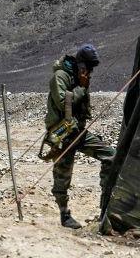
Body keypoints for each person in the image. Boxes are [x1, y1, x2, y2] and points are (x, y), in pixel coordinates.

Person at [45, 44, 115, 228]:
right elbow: (63, 104)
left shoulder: (80, 77)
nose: (90, 72)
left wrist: (83, 86)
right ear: (79, 63)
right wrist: (82, 88)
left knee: (111, 156)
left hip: (80, 132)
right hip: (63, 134)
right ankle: (64, 215)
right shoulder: (60, 76)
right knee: (62, 176)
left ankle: (105, 208)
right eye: (88, 67)